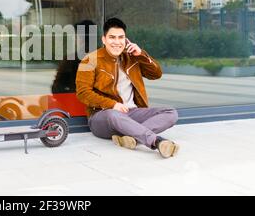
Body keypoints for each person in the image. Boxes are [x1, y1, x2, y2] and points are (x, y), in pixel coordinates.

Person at [75, 18, 180, 158]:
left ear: (125, 39)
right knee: (113, 114)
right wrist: (112, 104)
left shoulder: (132, 57)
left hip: (132, 113)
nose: (117, 42)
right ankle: (156, 141)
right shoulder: (89, 60)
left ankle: (131, 138)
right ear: (104, 39)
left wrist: (141, 54)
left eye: (121, 37)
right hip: (102, 116)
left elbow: (156, 74)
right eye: (112, 37)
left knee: (171, 113)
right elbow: (83, 93)